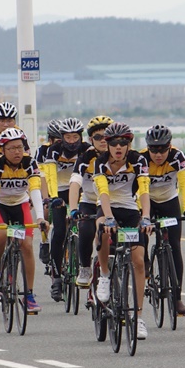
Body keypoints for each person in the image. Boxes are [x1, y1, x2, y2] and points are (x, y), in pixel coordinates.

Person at [89, 122, 153, 340]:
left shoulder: (139, 160)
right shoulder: (100, 162)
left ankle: (138, 317)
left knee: (138, 260)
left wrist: (145, 217)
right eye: (114, 143)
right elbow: (103, 192)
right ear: (107, 145)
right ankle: (105, 275)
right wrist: (108, 218)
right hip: (107, 207)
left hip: (129, 208)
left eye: (123, 143)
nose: (118, 147)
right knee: (103, 230)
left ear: (129, 145)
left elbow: (144, 189)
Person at [0, 127, 48, 315]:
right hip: (1, 205)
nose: (17, 152)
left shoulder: (29, 163)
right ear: (3, 150)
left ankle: (28, 295)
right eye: (11, 148)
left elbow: (35, 190)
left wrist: (41, 218)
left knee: (27, 245)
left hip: (20, 205)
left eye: (19, 147)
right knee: (1, 234)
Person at [141, 123, 185, 317]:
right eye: (154, 149)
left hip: (170, 201)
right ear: (148, 148)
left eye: (163, 149)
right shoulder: (141, 159)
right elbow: (138, 186)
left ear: (169, 146)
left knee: (175, 247)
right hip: (147, 200)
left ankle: (177, 297)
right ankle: (145, 260)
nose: (158, 154)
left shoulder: (177, 157)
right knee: (142, 228)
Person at [40, 117, 88, 301]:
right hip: (59, 191)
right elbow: (50, 175)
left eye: (75, 136)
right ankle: (57, 278)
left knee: (84, 229)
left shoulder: (86, 149)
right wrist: (53, 197)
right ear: (62, 137)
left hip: (79, 189)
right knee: (59, 232)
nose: (71, 141)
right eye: (67, 137)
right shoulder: (53, 150)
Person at [66, 115, 112, 288]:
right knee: (85, 230)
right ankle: (85, 267)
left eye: (106, 136)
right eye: (97, 137)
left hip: (111, 203)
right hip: (90, 201)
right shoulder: (86, 157)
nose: (102, 141)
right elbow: (75, 183)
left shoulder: (119, 155)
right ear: (91, 139)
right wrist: (73, 208)